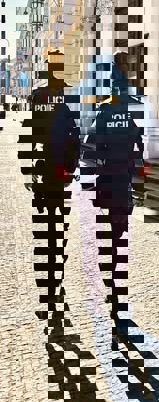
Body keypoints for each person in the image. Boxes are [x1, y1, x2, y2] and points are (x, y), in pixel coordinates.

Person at [19, 49, 80, 316]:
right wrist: (70, 168)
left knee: (48, 230)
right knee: (57, 228)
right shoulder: (66, 100)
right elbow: (75, 139)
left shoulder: (38, 97)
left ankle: (50, 288)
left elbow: (30, 135)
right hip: (58, 174)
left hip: (45, 173)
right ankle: (56, 280)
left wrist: (30, 171)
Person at [94, 92, 143, 321]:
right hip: (125, 179)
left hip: (108, 178)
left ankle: (111, 280)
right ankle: (115, 280)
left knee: (109, 231)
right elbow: (140, 147)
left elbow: (93, 146)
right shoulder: (133, 113)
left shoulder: (103, 113)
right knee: (119, 232)